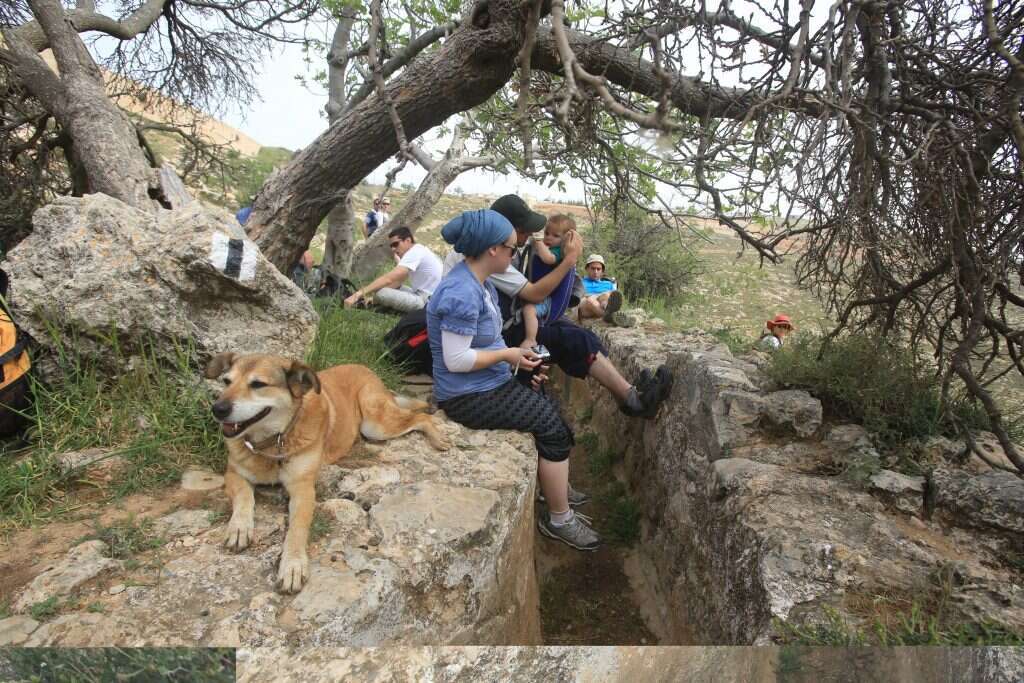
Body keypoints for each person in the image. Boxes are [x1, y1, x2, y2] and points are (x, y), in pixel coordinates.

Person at [427, 209, 601, 551]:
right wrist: (509, 356)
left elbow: (486, 344)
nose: (515, 253)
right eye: (511, 247)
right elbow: (456, 359)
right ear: (493, 250)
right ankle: (559, 519)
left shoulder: (479, 283)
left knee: (551, 411)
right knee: (550, 427)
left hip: (487, 382)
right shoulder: (462, 293)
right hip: (467, 396)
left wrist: (521, 364)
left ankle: (556, 489)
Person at [485, 195, 673, 420]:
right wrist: (570, 259)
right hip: (504, 334)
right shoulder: (493, 257)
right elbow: (534, 293)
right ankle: (634, 401)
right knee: (577, 340)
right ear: (508, 229)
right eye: (523, 230)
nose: (527, 236)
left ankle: (628, 394)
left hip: (512, 322)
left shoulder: (502, 249)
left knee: (579, 333)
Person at [344, 226, 442, 312]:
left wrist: (358, 294)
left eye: (395, 244)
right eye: (391, 246)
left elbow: (389, 278)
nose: (393, 249)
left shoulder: (415, 252)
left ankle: (369, 303)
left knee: (382, 293)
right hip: (427, 297)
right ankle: (371, 302)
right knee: (384, 288)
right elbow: (397, 281)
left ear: (407, 241)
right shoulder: (420, 250)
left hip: (426, 302)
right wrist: (372, 296)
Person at [521, 214, 575, 351]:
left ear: (565, 240)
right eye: (546, 233)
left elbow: (548, 259)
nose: (548, 237)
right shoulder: (550, 247)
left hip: (548, 300)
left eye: (555, 236)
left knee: (529, 310)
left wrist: (538, 242)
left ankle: (530, 339)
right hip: (539, 293)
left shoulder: (559, 252)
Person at [577, 254, 624, 323]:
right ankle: (610, 317)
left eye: (598, 269)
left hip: (602, 303)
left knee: (606, 295)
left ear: (602, 271)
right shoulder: (580, 282)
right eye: (593, 268)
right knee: (591, 300)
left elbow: (613, 297)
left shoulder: (608, 284)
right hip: (586, 304)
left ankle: (607, 312)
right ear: (587, 269)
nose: (595, 272)